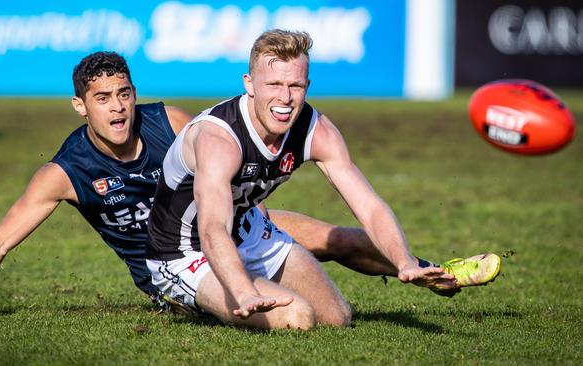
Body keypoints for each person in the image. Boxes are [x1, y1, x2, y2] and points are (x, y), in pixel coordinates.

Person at [0, 50, 497, 318]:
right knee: (292, 314)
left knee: (341, 240)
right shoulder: (66, 171)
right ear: (81, 106)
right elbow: (0, 240)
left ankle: (425, 270)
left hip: (232, 222)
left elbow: (226, 172)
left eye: (124, 93)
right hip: (173, 254)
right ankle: (208, 304)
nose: (118, 107)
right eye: (103, 99)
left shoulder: (171, 121)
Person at [144, 29, 501, 330]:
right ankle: (192, 301)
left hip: (247, 228)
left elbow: (369, 207)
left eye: (295, 86)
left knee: (336, 317)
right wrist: (243, 291)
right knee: (298, 317)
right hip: (184, 251)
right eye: (274, 85)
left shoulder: (316, 129)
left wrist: (404, 261)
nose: (285, 98)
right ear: (249, 84)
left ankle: (426, 268)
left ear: (307, 84)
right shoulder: (219, 138)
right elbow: (211, 230)